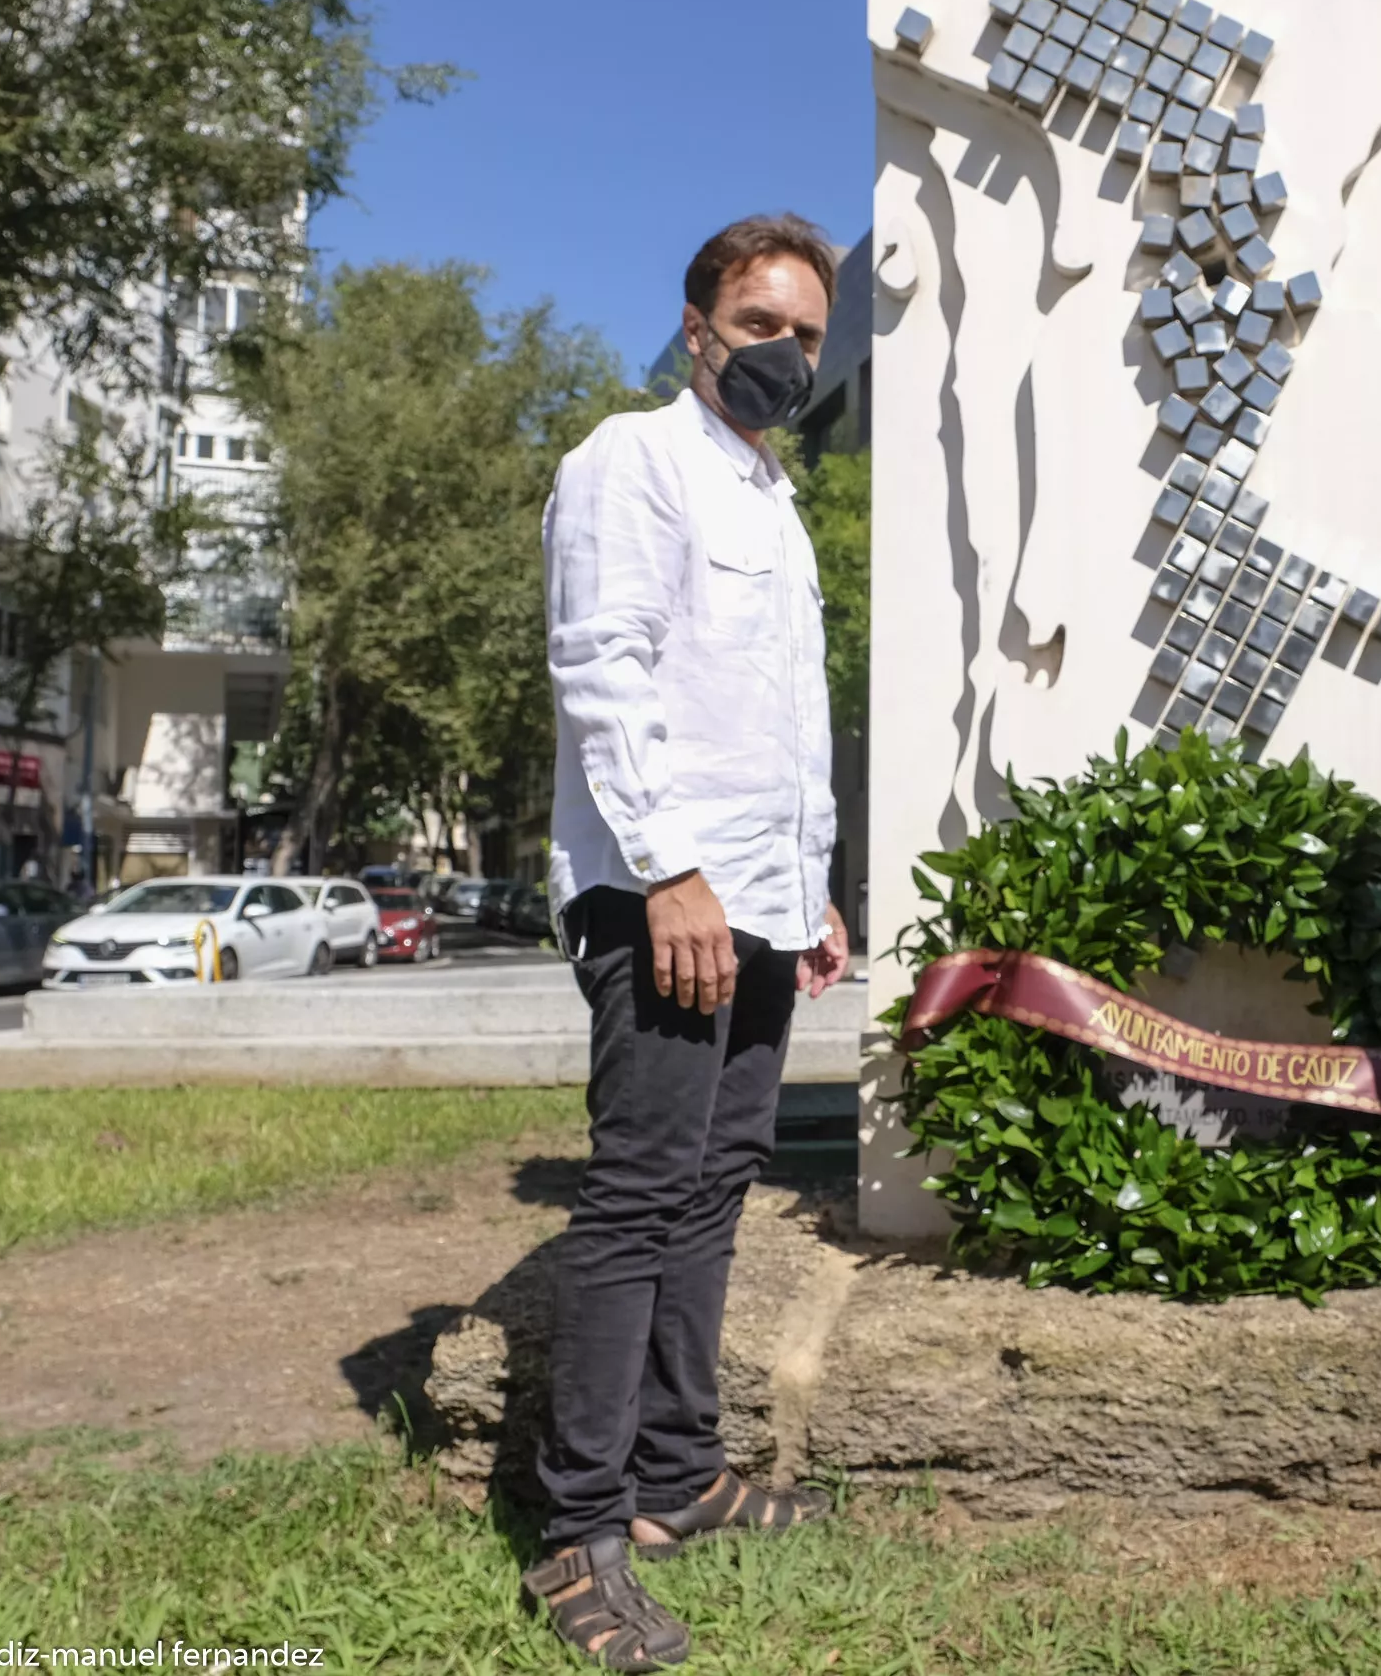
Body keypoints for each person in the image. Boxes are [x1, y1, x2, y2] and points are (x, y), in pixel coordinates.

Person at [520, 213, 854, 1671]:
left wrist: (812, 887)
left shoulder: (772, 498)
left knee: (717, 1183)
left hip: (761, 907)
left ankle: (678, 1473)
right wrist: (670, 873)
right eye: (760, 321)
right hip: (666, 897)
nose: (786, 350)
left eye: (807, 332)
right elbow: (601, 673)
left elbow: (775, 727)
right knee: (640, 1190)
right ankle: (575, 1530)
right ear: (697, 322)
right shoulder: (628, 460)